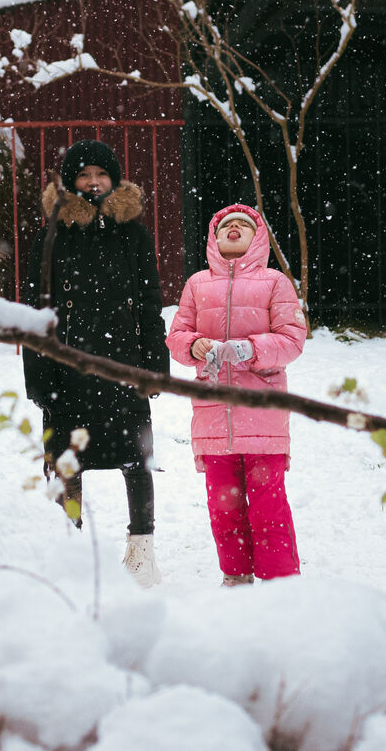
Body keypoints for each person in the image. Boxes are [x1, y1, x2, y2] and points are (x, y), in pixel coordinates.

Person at [23, 139, 169, 587]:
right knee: (67, 461)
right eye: (83, 175)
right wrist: (38, 374)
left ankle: (142, 552)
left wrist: (154, 364)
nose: (92, 183)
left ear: (114, 180)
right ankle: (71, 548)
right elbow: (35, 309)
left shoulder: (134, 233)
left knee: (135, 459)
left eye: (100, 175)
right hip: (68, 366)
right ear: (70, 182)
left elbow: (148, 302)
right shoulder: (51, 234)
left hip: (122, 364)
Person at [166, 204, 307, 586]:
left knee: (268, 504)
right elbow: (177, 336)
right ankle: (236, 574)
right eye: (227, 224)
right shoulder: (197, 284)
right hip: (213, 415)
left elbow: (293, 340)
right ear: (214, 237)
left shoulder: (275, 282)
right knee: (223, 506)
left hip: (262, 411)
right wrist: (194, 346)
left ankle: (281, 581)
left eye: (244, 224)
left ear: (257, 237)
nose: (234, 228)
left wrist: (249, 349)